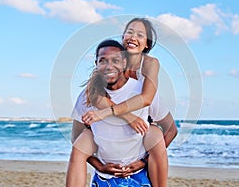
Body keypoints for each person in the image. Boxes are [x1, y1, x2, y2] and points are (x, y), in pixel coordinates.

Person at [69, 18, 178, 186]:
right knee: (83, 140)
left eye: (140, 35)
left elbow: (147, 99)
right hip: (110, 141)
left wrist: (144, 161)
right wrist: (126, 117)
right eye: (129, 32)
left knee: (155, 133)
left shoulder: (148, 66)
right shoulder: (99, 81)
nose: (133, 37)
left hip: (140, 127)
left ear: (146, 44)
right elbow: (95, 96)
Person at [67, 39, 153, 186]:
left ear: (125, 63)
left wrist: (143, 162)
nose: (109, 66)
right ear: (96, 64)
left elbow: (170, 130)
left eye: (115, 60)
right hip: (104, 178)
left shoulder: (142, 90)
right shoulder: (87, 96)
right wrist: (99, 165)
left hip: (139, 176)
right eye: (103, 60)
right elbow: (76, 139)